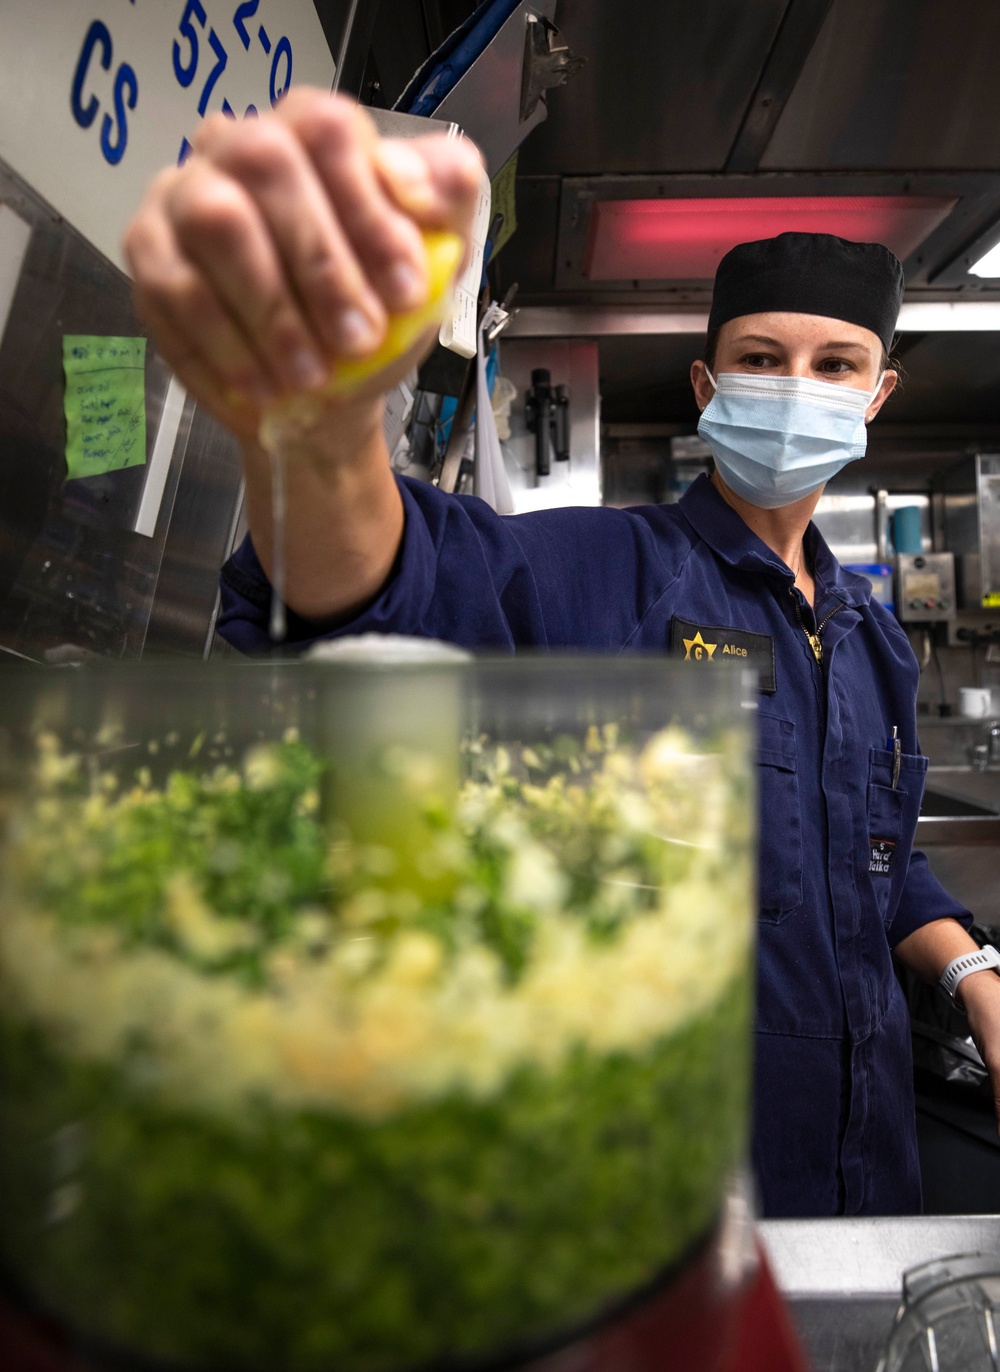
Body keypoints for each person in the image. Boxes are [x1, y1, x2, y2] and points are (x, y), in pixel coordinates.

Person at [124, 90, 1000, 1218]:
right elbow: (382, 587)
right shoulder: (601, 572)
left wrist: (971, 972)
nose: (796, 387)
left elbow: (879, 863)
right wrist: (316, 428)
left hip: (866, 1171)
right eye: (760, 356)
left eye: (835, 366)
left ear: (876, 394)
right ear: (706, 384)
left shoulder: (871, 635)